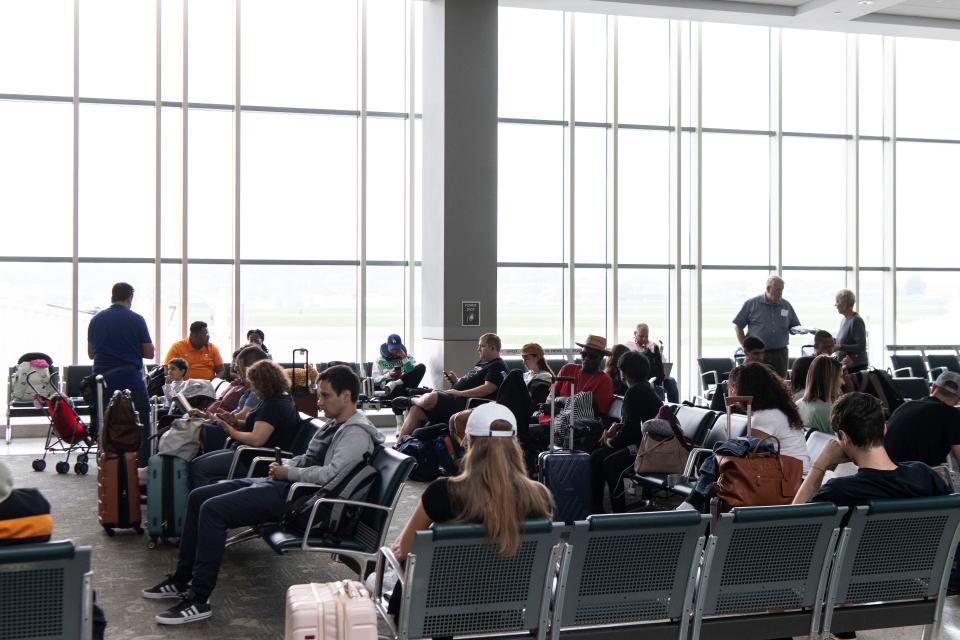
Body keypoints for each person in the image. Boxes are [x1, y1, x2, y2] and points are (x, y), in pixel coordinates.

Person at [144, 365, 384, 625]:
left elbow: (331, 476)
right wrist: (287, 467)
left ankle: (198, 599)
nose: (319, 401)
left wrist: (288, 474)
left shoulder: (356, 433)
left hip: (304, 503)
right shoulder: (337, 424)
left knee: (213, 510)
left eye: (325, 396)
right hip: (290, 488)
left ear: (346, 396)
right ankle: (181, 580)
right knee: (199, 496)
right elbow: (311, 460)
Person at [387, 402, 552, 614]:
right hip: (507, 606)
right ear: (515, 444)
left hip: (439, 608)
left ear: (469, 442)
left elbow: (407, 552)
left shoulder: (442, 493)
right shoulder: (539, 496)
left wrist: (397, 548)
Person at [794, 392, 949, 506]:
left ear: (843, 436)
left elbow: (792, 525)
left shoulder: (839, 491)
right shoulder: (925, 476)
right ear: (884, 429)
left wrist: (819, 466)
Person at [189, 360, 301, 487]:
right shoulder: (277, 399)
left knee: (199, 469)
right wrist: (236, 422)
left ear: (263, 384)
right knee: (196, 463)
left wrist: (231, 431)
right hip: (246, 452)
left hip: (252, 459)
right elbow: (261, 426)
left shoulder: (273, 405)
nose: (252, 388)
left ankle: (203, 499)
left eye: (253, 384)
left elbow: (256, 439)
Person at [87, 282, 155, 467]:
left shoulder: (96, 319)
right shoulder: (136, 319)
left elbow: (91, 353)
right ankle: (141, 464)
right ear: (130, 298)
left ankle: (109, 462)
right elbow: (149, 353)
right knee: (140, 418)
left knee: (107, 421)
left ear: (112, 296)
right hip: (129, 377)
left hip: (103, 380)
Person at [590, 351, 664, 513]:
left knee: (609, 463)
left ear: (624, 372)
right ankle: (597, 507)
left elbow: (632, 431)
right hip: (649, 443)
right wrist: (616, 431)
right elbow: (633, 424)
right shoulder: (644, 388)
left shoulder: (634, 392)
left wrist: (611, 441)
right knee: (597, 456)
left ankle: (617, 511)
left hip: (649, 449)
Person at [397, 333, 507, 437]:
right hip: (456, 398)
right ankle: (399, 447)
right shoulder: (483, 363)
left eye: (482, 346)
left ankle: (411, 400)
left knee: (433, 396)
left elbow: (487, 389)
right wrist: (457, 381)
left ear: (493, 348)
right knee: (416, 410)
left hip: (466, 404)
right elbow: (472, 382)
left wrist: (459, 392)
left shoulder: (497, 366)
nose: (478, 349)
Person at [728, 362, 810, 473]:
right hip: (794, 474)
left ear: (745, 389)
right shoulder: (778, 409)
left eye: (734, 386)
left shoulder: (765, 416)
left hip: (790, 479)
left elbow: (750, 453)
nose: (732, 391)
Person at [192, 346, 270, 451]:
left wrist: (229, 428)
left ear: (251, 370)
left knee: (195, 430)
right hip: (237, 440)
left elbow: (256, 438)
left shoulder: (267, 398)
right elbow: (249, 422)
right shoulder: (258, 393)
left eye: (240, 370)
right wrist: (227, 420)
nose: (239, 375)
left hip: (243, 448)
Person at [884, 371, 960, 468]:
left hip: (883, 469)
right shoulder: (951, 414)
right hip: (911, 476)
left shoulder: (907, 405)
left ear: (933, 388)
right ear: (958, 400)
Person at [733, 276, 801, 378]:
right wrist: (746, 346)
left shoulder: (786, 305)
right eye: (778, 289)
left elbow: (794, 326)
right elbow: (738, 326)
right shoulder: (751, 304)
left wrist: (801, 330)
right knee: (755, 381)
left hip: (780, 353)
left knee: (779, 383)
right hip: (757, 353)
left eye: (782, 290)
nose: (781, 293)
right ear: (768, 288)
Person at [552, 335, 615, 418]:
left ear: (601, 357)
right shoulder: (567, 369)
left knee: (532, 429)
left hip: (574, 426)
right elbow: (552, 397)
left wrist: (561, 401)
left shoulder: (605, 380)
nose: (586, 358)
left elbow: (595, 414)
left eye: (592, 356)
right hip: (552, 417)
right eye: (584, 354)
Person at [796, 355, 844, 433]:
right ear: (830, 380)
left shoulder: (798, 404)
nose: (843, 382)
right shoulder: (830, 412)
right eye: (841, 377)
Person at [834, 289, 868, 372]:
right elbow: (843, 341)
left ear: (845, 304)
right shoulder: (844, 320)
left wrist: (840, 347)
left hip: (855, 367)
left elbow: (861, 346)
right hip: (845, 366)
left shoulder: (856, 321)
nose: (836, 305)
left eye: (837, 301)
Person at [625, 323, 666, 387]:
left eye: (646, 336)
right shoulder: (629, 346)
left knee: (671, 381)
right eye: (641, 336)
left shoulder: (653, 345)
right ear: (635, 333)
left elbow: (663, 361)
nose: (644, 339)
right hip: (638, 377)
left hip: (656, 375)